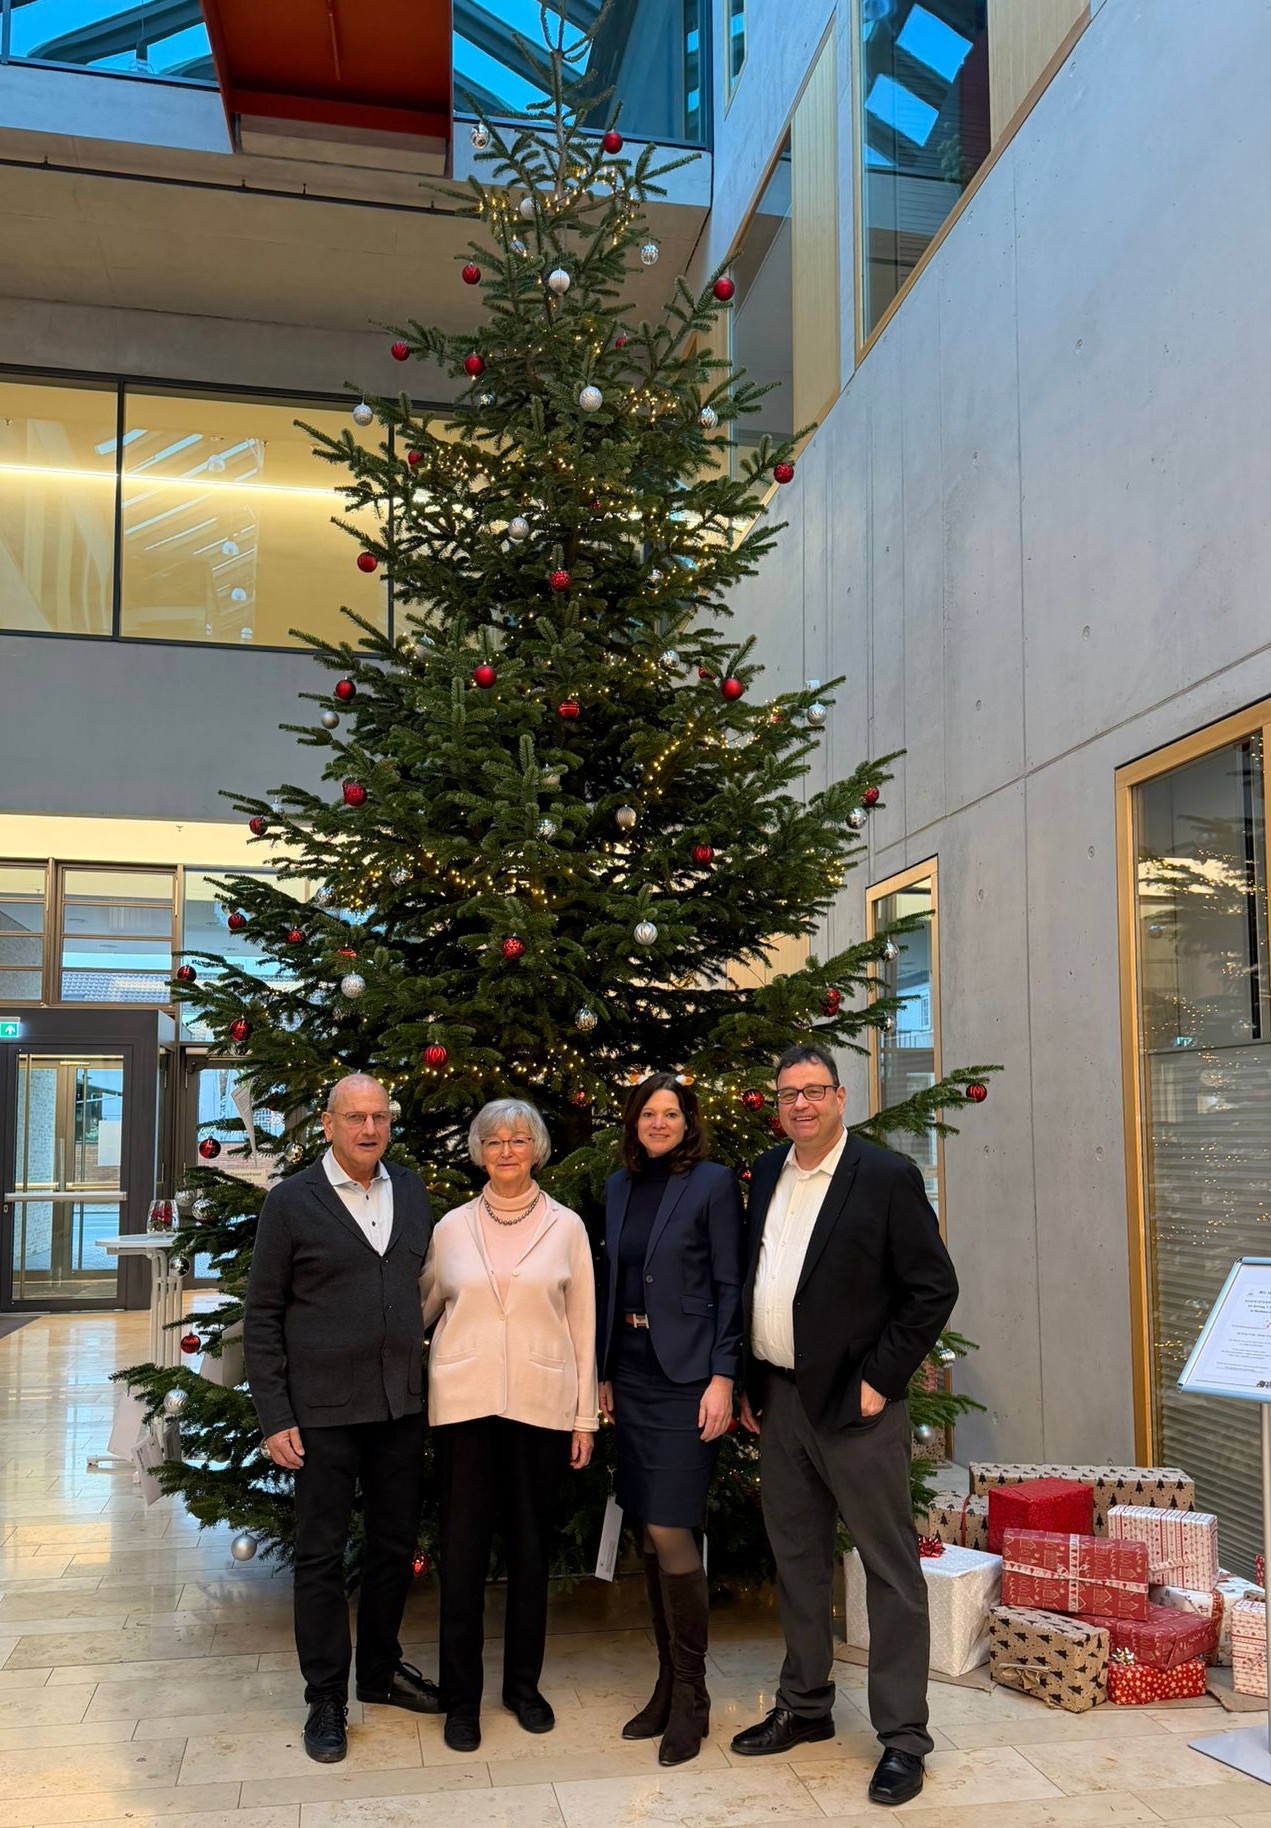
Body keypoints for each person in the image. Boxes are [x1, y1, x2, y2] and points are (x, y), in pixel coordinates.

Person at [730, 1043, 958, 1809]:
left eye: (813, 1091)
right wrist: (749, 1379)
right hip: (781, 1399)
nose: (799, 1104)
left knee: (889, 1571)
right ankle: (805, 1707)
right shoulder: (763, 1173)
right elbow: (756, 1280)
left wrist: (879, 1380)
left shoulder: (885, 1178)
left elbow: (931, 1288)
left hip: (855, 1408)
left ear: (839, 1097)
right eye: (786, 1092)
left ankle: (902, 1738)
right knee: (795, 1560)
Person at [243, 1072, 439, 1765]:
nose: (368, 1129)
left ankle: (379, 1672)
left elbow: (427, 1288)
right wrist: (274, 1414)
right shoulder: (293, 1203)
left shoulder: (410, 1191)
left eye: (380, 1117)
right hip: (320, 1413)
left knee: (393, 1549)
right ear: (326, 1124)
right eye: (354, 1117)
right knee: (321, 1556)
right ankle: (326, 1694)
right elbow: (261, 1316)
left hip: (398, 1405)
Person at [420, 1097, 597, 1753]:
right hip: (463, 1408)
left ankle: (522, 1687)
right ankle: (460, 1700)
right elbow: (421, 1307)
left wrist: (584, 1417)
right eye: (493, 1140)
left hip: (541, 1408)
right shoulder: (450, 1229)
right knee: (461, 1559)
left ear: (537, 1149)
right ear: (477, 1150)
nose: (506, 1150)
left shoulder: (567, 1228)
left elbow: (583, 1327)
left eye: (519, 1139)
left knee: (529, 1554)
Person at [597, 1073, 745, 1767]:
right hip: (628, 1369)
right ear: (633, 1122)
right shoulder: (617, 1187)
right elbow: (611, 1281)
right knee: (649, 1530)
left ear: (688, 1122)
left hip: (688, 1379)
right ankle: (666, 1683)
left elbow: (727, 1284)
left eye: (671, 1113)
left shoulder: (713, 1184)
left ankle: (692, 1694)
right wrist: (600, 1371)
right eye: (647, 1113)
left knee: (670, 1525)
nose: (658, 1123)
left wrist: (723, 1376)